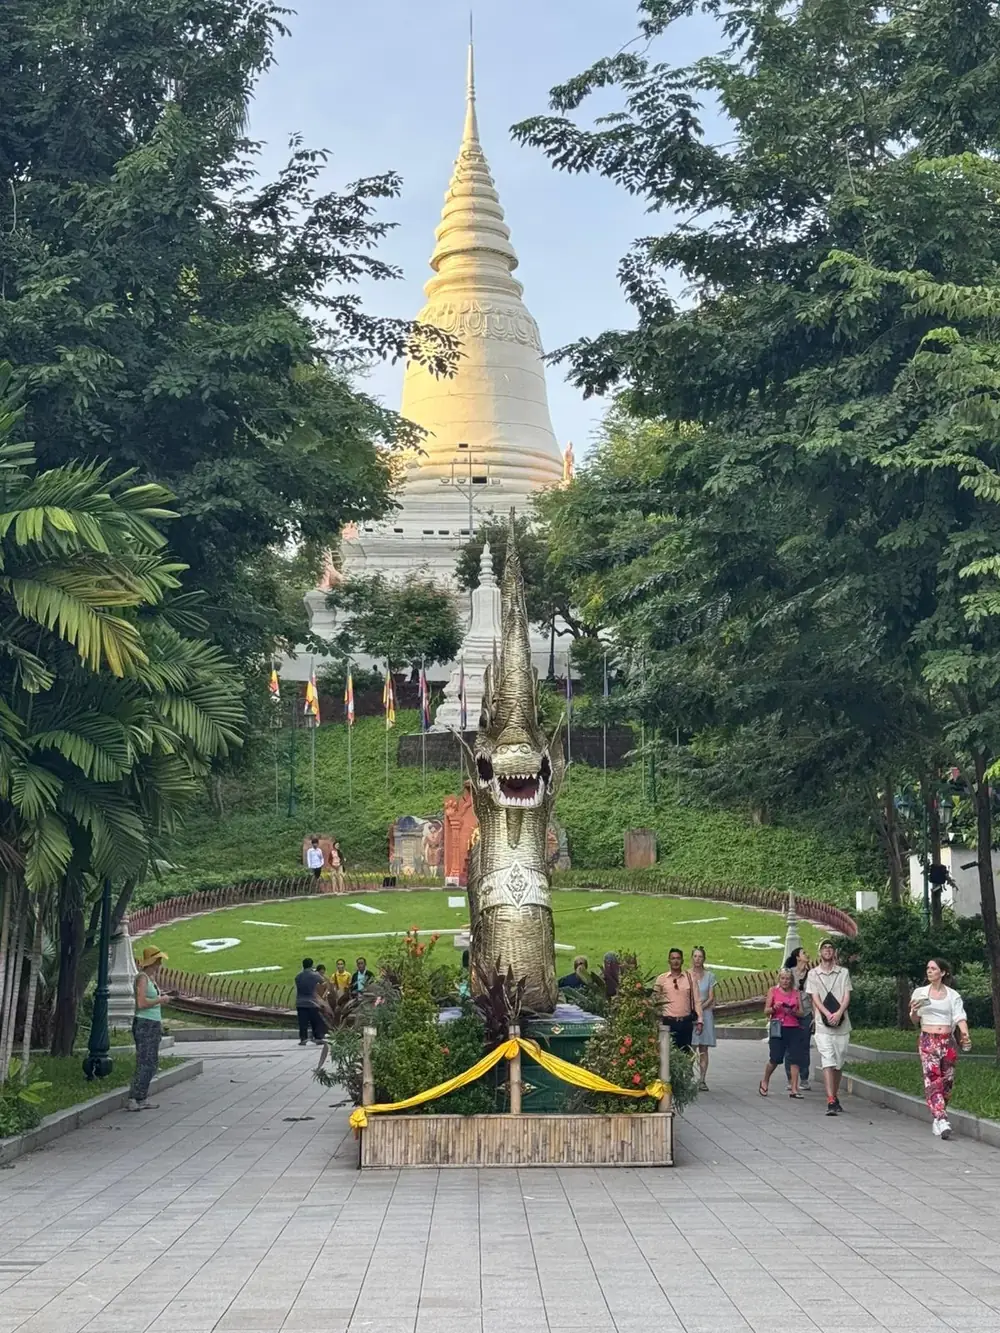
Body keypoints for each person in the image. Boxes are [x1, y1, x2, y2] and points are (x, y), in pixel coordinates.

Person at [909, 958, 972, 1139]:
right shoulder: (920, 993)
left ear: (942, 973)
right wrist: (913, 1012)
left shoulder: (953, 995)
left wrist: (965, 1034)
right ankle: (942, 1117)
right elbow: (914, 1019)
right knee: (933, 1078)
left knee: (947, 1081)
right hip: (928, 1040)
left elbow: (960, 1017)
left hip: (947, 1042)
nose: (929, 971)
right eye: (928, 968)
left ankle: (937, 1118)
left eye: (933, 968)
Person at [806, 938, 852, 1115]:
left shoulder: (843, 973)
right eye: (824, 948)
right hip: (822, 1025)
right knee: (828, 1059)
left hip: (842, 1024)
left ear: (834, 952)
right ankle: (830, 1099)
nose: (827, 950)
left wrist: (839, 1012)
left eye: (830, 948)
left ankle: (835, 1093)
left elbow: (847, 995)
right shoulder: (813, 974)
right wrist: (826, 1013)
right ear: (820, 953)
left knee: (838, 1062)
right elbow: (815, 997)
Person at [127, 946, 173, 1111]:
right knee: (145, 1062)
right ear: (152, 961)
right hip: (144, 1023)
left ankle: (141, 1096)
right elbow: (142, 1003)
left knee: (151, 1062)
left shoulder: (151, 978)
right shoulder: (142, 978)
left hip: (153, 1023)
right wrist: (161, 1000)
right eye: (158, 960)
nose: (160, 964)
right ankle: (134, 1097)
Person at [759, 968, 806, 1097]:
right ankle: (765, 1080)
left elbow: (802, 1012)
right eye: (783, 978)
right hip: (778, 1027)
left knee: (795, 1058)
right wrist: (775, 1008)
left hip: (794, 1027)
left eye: (788, 979)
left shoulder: (796, 993)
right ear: (779, 979)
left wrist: (793, 1012)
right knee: (776, 1058)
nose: (785, 981)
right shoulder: (773, 991)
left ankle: (794, 1088)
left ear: (791, 980)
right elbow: (766, 1010)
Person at [653, 948, 704, 1051]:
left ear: (682, 961)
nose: (675, 961)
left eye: (678, 958)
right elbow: (654, 1000)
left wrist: (700, 1020)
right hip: (668, 1023)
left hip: (685, 1022)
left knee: (685, 1055)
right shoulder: (662, 979)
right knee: (668, 1055)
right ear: (669, 961)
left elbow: (697, 1000)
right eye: (673, 958)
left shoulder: (690, 978)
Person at [784, 947, 813, 1091]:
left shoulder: (812, 974)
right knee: (790, 1047)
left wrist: (815, 1015)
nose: (807, 955)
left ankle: (804, 1078)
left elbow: (815, 996)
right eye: (804, 953)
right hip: (791, 1014)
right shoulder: (789, 974)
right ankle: (790, 1078)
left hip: (806, 1013)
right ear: (797, 957)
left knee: (804, 1046)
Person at [689, 946, 716, 1090]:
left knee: (703, 1048)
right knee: (690, 1047)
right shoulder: (687, 975)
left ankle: (702, 1079)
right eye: (695, 956)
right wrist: (693, 1010)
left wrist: (700, 1008)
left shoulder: (710, 976)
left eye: (700, 956)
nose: (697, 959)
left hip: (705, 1014)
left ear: (704, 959)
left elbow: (711, 997)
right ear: (692, 958)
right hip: (690, 1014)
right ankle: (688, 1077)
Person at [295, 957, 326, 1045]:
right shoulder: (315, 975)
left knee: (302, 1022)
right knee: (315, 1021)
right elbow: (323, 982)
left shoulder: (298, 976)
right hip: (312, 1002)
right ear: (312, 965)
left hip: (300, 1002)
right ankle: (318, 1037)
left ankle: (303, 1038)